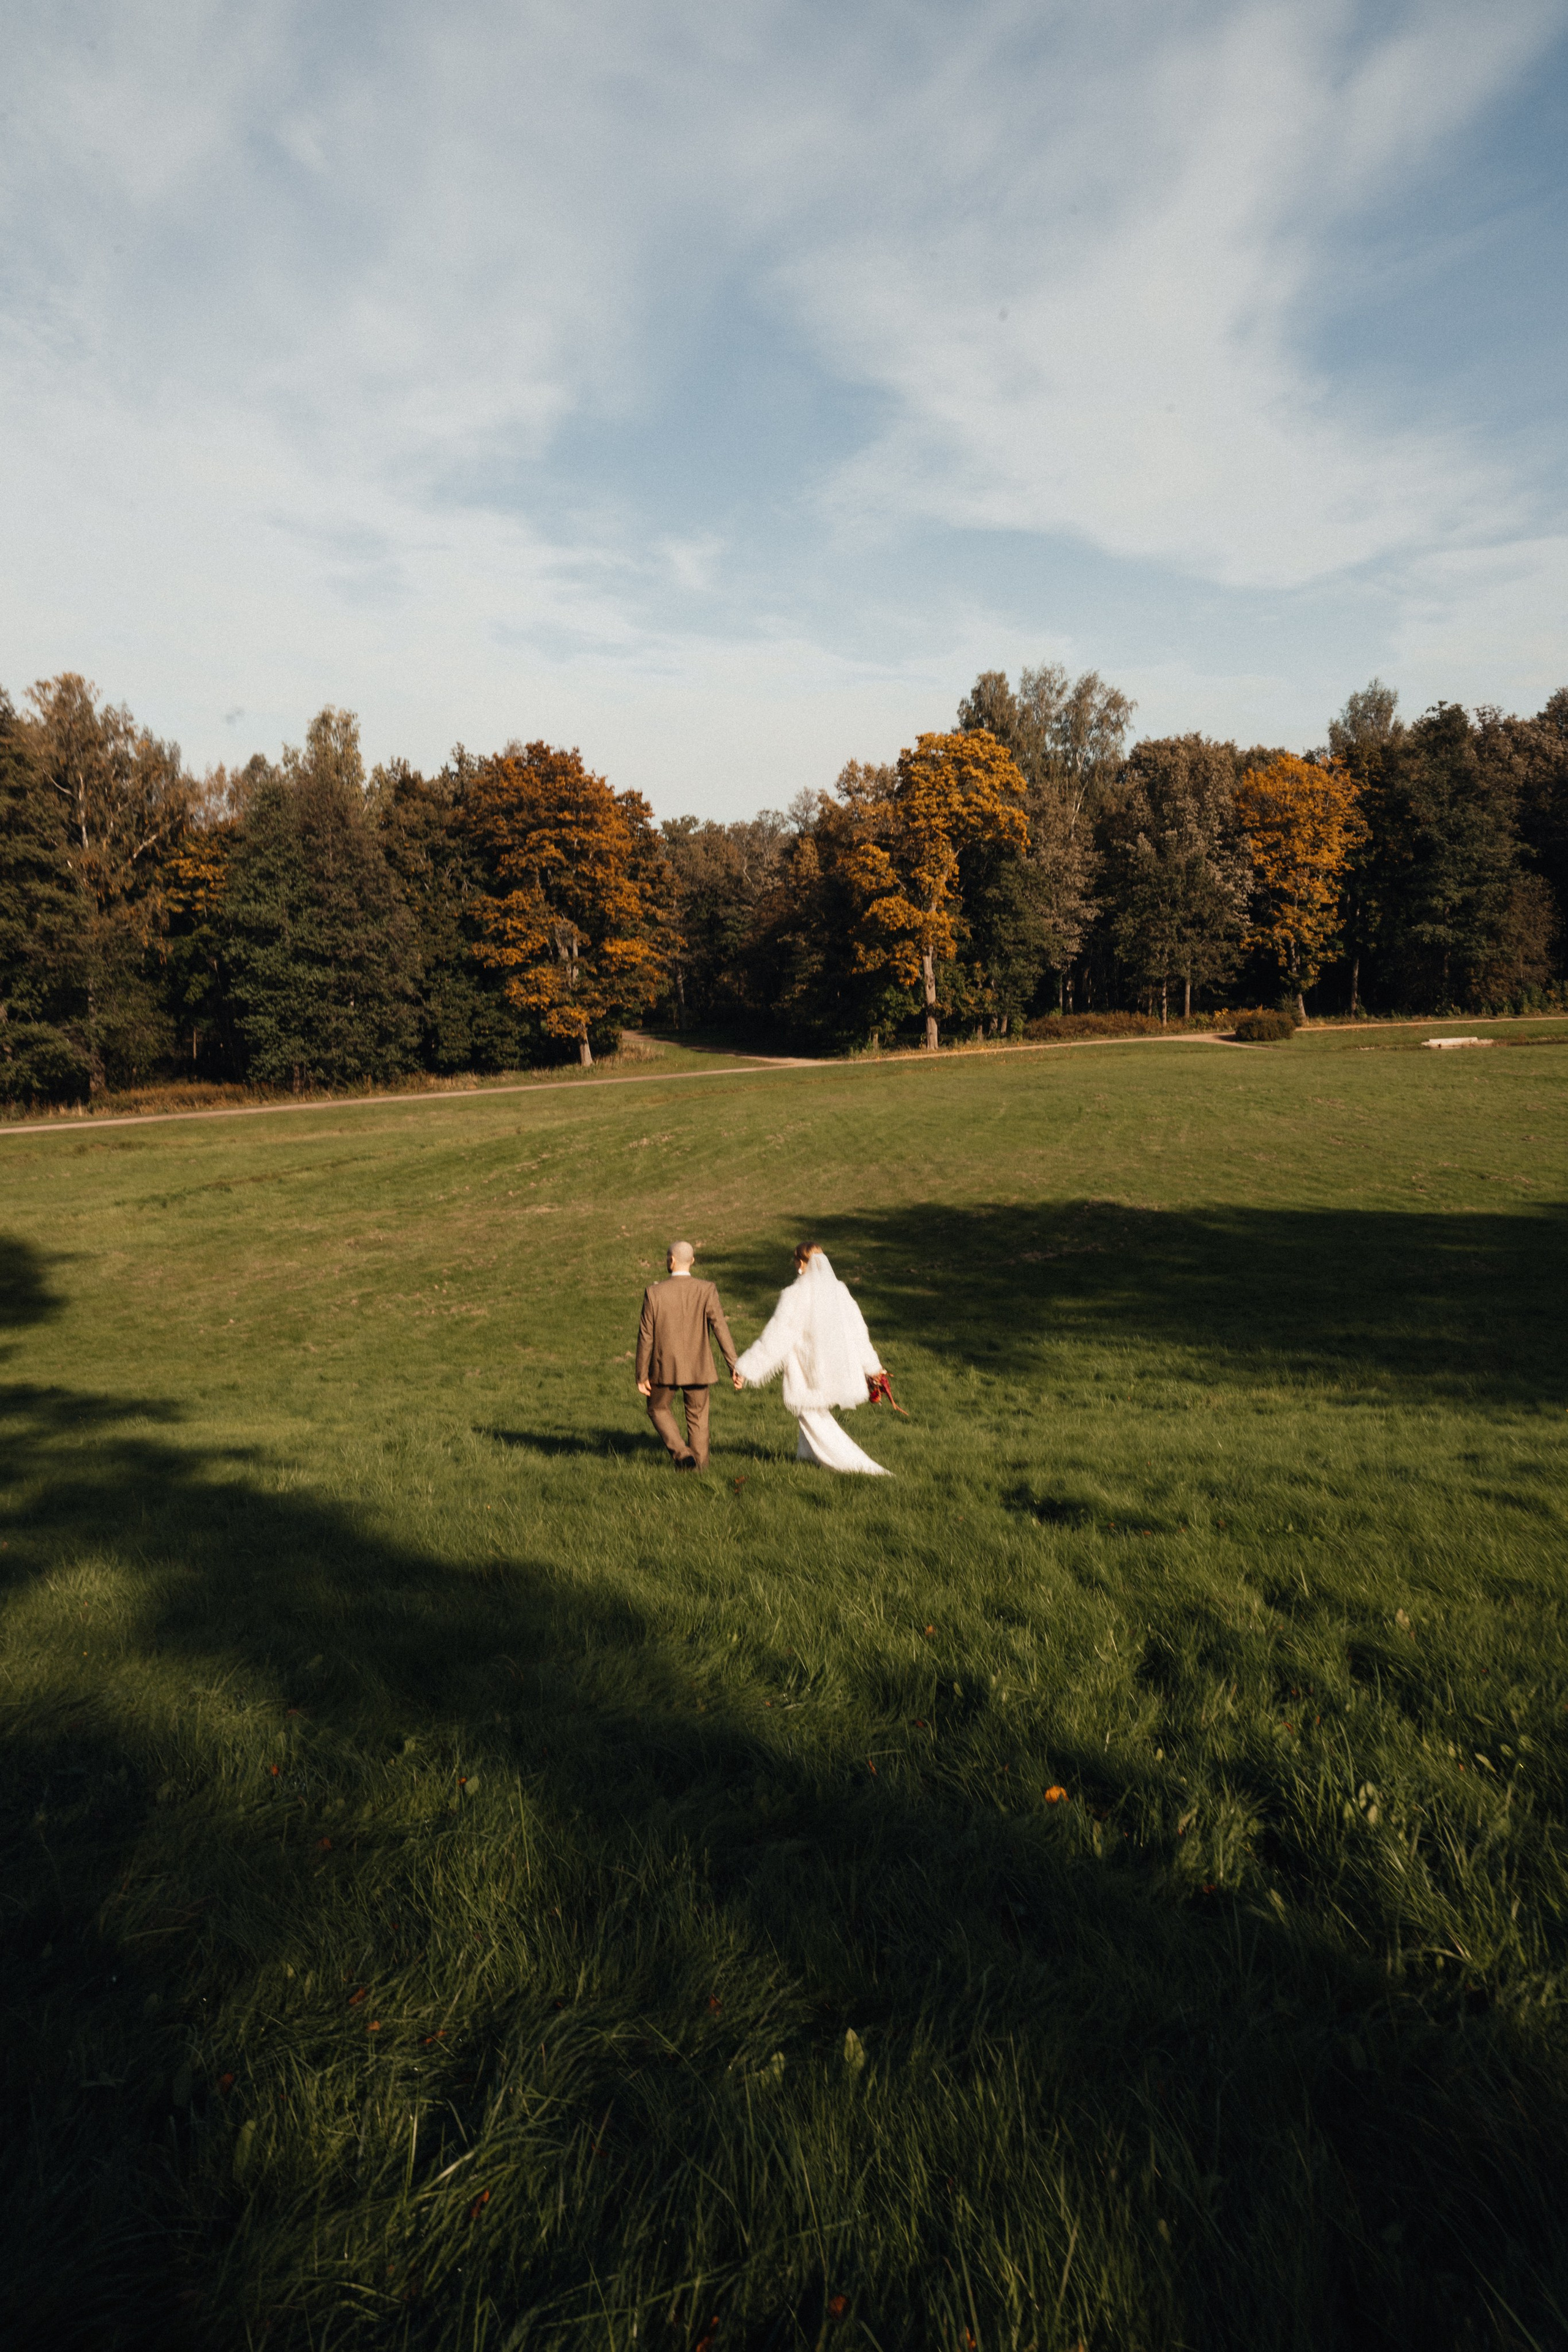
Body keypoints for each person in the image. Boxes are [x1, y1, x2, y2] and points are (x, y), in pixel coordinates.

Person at [734, 1243, 891, 1475]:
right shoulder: (840, 1291)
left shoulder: (795, 1294)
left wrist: (746, 1368)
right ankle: (809, 1461)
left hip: (808, 1372)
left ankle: (860, 1467)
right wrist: (873, 1366)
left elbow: (778, 1335)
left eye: (795, 1260)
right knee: (811, 1416)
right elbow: (858, 1331)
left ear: (801, 1263)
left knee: (814, 1418)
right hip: (835, 1368)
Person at [635, 1241, 741, 1471]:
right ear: (692, 1261)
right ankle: (700, 1470)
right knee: (698, 1419)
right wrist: (734, 1366)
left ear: (671, 1261)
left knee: (657, 1408)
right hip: (699, 1367)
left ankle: (683, 1455)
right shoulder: (707, 1289)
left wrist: (641, 1374)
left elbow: (646, 1337)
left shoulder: (654, 1293)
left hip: (665, 1368)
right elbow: (720, 1327)